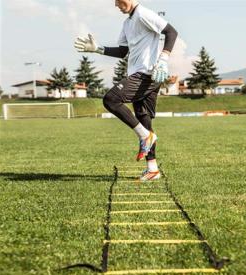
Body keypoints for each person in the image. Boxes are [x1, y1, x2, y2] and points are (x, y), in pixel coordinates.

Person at [74, 0, 177, 181]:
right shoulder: (127, 22)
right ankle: (152, 168)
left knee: (111, 99)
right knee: (144, 117)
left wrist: (163, 59)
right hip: (141, 74)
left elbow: (171, 32)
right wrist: (98, 49)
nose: (116, 5)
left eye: (117, 1)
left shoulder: (143, 14)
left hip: (147, 74)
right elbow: (123, 51)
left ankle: (145, 137)